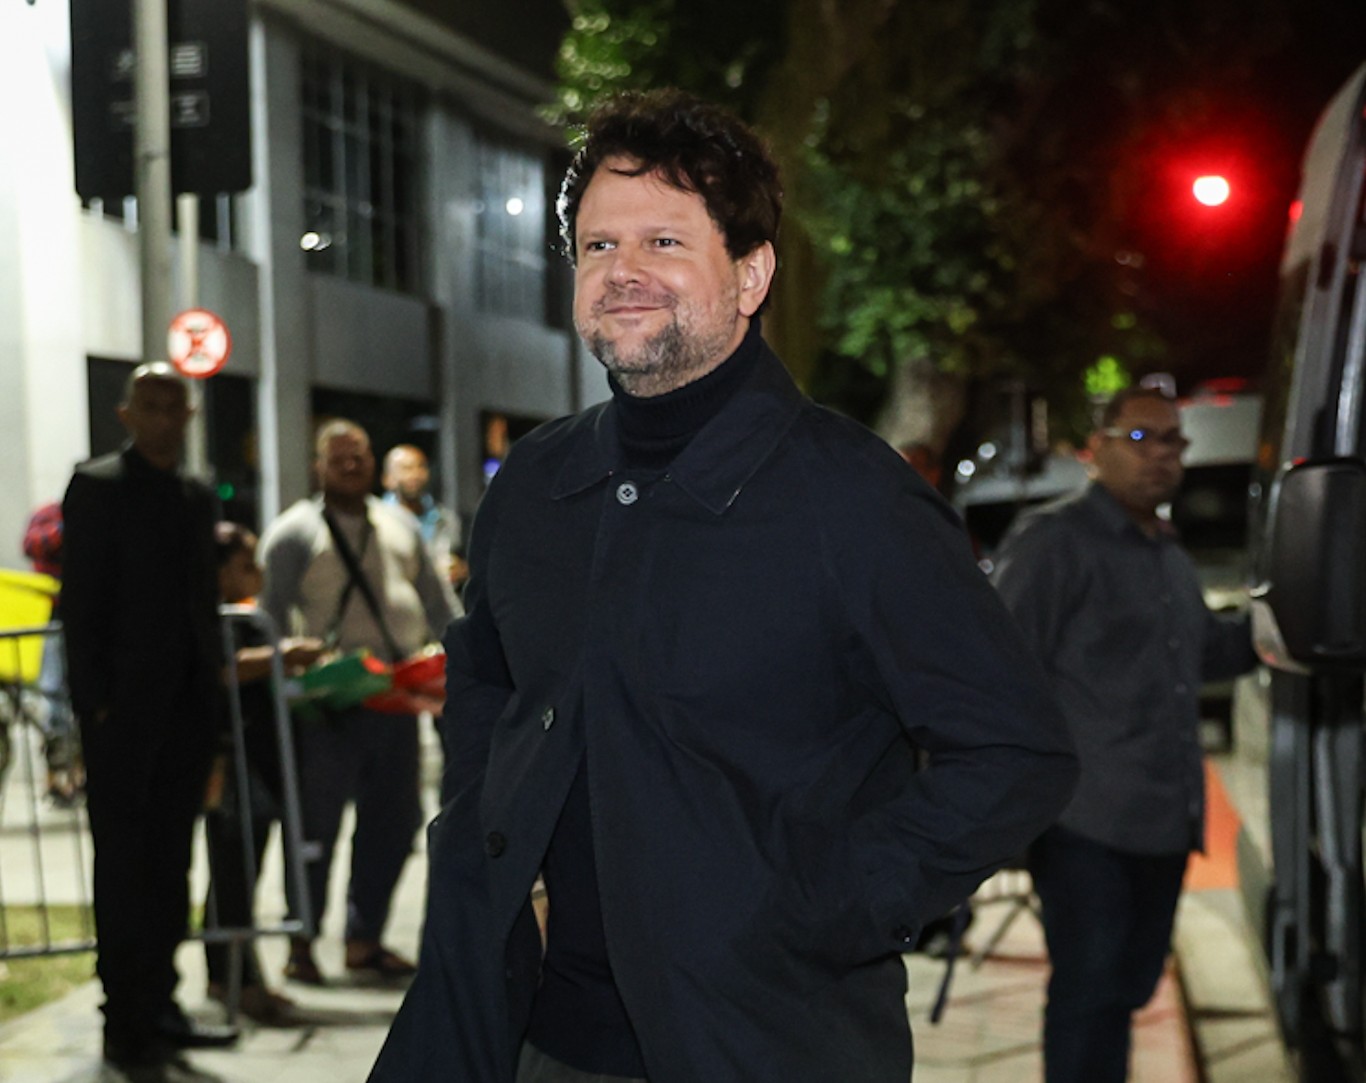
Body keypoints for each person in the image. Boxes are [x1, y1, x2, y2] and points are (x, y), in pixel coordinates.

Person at [368, 88, 1077, 1083]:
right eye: (599, 246)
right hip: (527, 1039)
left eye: (663, 241)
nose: (623, 272)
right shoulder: (536, 481)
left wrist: (821, 913)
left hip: (766, 1046)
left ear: (750, 275)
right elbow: (487, 681)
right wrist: (485, 842)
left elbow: (1013, 750)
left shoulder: (852, 497)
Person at [990, 385, 1258, 1083]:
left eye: (1173, 441)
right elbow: (1000, 670)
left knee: (1131, 985)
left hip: (1164, 817)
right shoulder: (1054, 541)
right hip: (1086, 820)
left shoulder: (1167, 552)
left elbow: (1206, 653)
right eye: (1141, 438)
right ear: (1096, 448)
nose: (1160, 455)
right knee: (1091, 993)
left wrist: (1281, 625)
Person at [61, 362, 239, 1080]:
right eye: (151, 405)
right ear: (126, 414)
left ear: (189, 416)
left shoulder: (195, 494)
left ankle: (161, 1004)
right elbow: (81, 601)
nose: (164, 418)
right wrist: (95, 704)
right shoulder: (98, 485)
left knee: (172, 865)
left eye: (175, 406)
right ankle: (124, 1019)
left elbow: (201, 606)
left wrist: (213, 708)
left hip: (186, 712)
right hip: (121, 716)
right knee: (124, 868)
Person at [258, 420, 454, 986]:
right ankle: (302, 943)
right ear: (318, 466)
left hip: (396, 699)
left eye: (361, 455)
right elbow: (270, 614)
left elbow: (436, 602)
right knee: (314, 829)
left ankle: (364, 939)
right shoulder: (294, 532)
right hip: (329, 704)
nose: (351, 466)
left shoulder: (400, 524)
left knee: (393, 823)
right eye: (339, 458)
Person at [202, 522, 322, 1025]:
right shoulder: (212, 618)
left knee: (242, 876)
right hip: (234, 766)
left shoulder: (249, 616)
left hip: (261, 763)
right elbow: (222, 670)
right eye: (246, 564)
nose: (257, 573)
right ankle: (234, 982)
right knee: (233, 875)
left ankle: (240, 977)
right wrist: (282, 655)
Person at [21, 500, 83, 806]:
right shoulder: (51, 515)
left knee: (79, 699)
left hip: (86, 616)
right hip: (53, 616)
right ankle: (57, 780)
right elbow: (31, 545)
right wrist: (67, 529)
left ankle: (77, 778)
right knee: (54, 695)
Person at [381, 443, 469, 597]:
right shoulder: (378, 520)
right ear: (387, 479)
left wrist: (460, 571)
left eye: (420, 467)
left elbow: (459, 561)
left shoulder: (445, 519)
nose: (415, 474)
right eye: (406, 468)